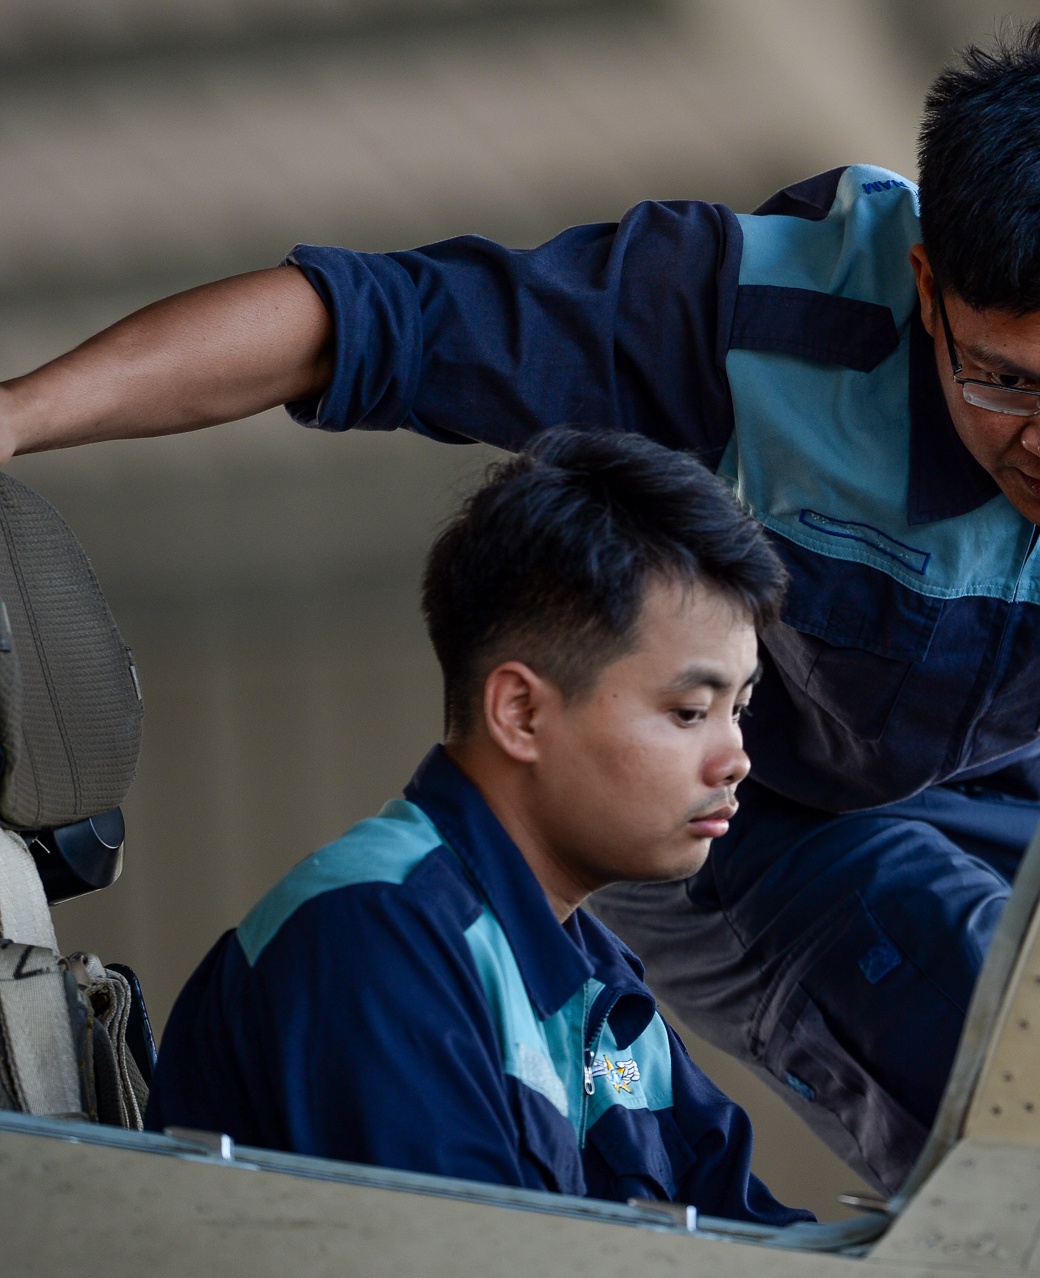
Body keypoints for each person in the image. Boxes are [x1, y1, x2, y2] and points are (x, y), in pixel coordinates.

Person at [3, 19, 1040, 1189]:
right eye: (1002, 379)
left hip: (1033, 810)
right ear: (922, 292)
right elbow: (359, 322)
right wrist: (13, 416)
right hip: (772, 830)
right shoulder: (747, 309)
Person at [147, 430, 808, 1224]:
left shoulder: (598, 985)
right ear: (521, 712)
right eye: (690, 712)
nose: (735, 758)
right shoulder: (373, 935)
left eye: (739, 709)